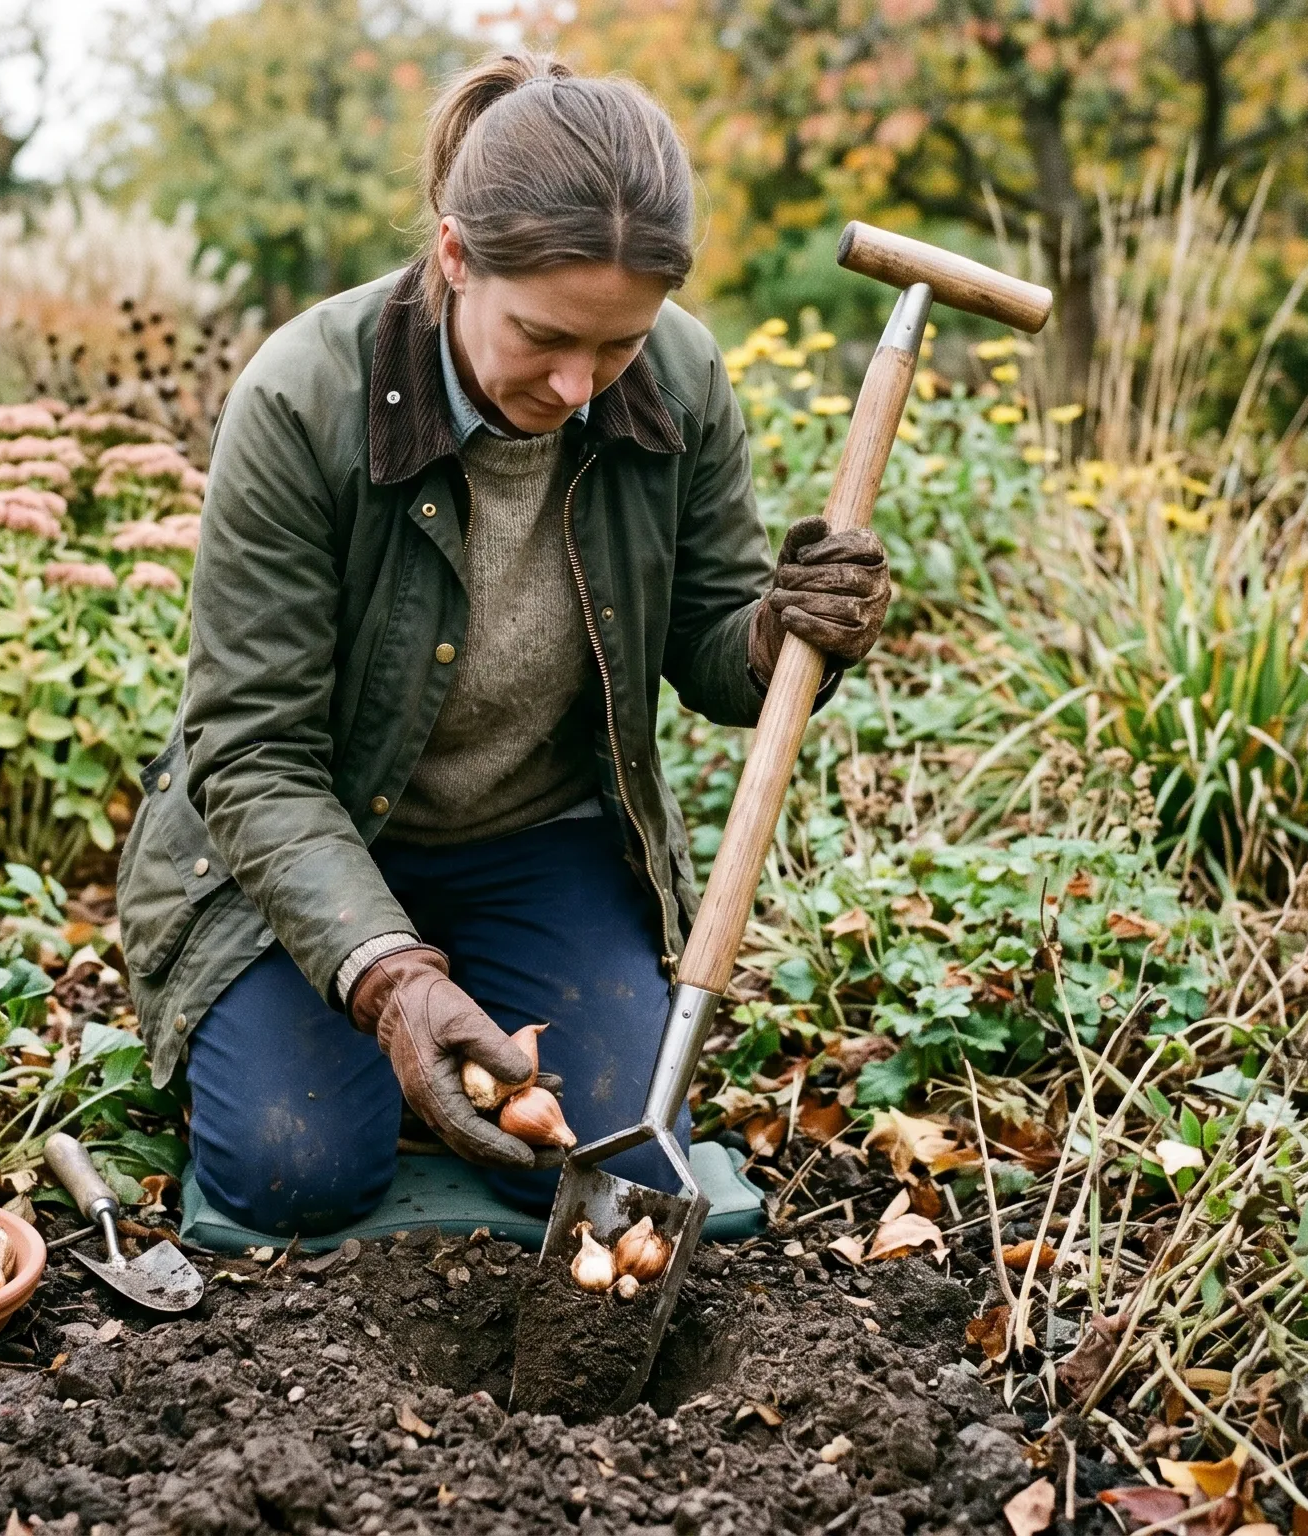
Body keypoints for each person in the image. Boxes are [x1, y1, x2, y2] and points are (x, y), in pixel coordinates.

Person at [117, 50, 891, 1238]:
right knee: (295, 1172)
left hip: (536, 836)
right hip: (309, 840)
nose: (581, 384)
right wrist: (388, 977)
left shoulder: (678, 379)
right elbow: (254, 752)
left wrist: (790, 632)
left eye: (619, 343)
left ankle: (458, 1019)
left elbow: (707, 645)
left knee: (613, 1160)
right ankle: (365, 1027)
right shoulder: (302, 400)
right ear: (453, 256)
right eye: (543, 337)